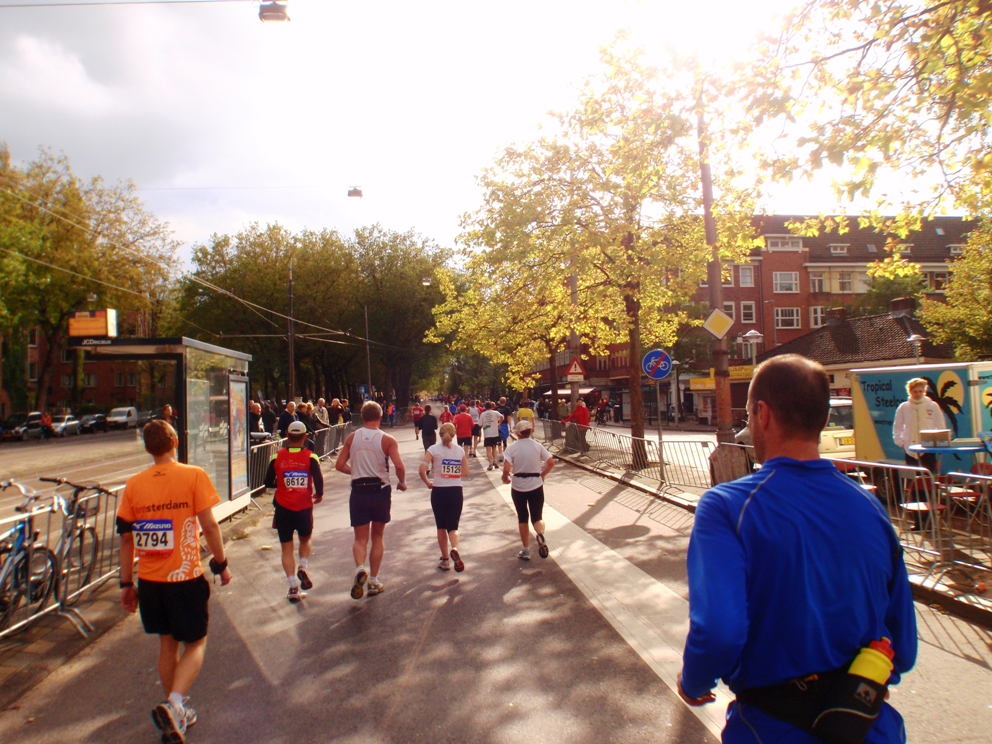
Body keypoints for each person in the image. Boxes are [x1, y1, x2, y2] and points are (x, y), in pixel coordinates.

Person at [677, 355, 917, 744]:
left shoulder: (727, 506)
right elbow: (902, 647)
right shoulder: (871, 508)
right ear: (822, 420)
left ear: (762, 413)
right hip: (865, 727)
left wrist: (693, 681)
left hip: (770, 728)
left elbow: (720, 630)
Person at [117, 420, 232, 744]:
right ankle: (175, 703)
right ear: (174, 443)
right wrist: (221, 565)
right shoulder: (193, 475)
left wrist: (127, 584)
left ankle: (175, 717)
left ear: (148, 447)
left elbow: (126, 540)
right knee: (195, 642)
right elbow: (209, 526)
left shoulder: (134, 484)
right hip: (184, 577)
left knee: (167, 644)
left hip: (151, 582)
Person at [335, 401, 408, 599]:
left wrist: (355, 472)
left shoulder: (352, 437)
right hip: (380, 490)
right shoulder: (387, 439)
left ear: (363, 417)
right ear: (380, 416)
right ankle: (374, 581)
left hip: (358, 491)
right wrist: (402, 482)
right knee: (377, 537)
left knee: (360, 538)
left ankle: (361, 568)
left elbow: (339, 464)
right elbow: (399, 466)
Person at [263, 421, 324, 602]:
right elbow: (318, 480)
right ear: (305, 437)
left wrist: (281, 484)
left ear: (287, 437)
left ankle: (292, 587)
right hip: (304, 507)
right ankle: (303, 566)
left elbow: (267, 481)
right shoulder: (311, 457)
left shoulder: (277, 457)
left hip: (283, 508)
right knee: (305, 540)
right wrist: (318, 494)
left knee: (286, 548)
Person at [501, 420, 555, 560]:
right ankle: (540, 534)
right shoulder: (537, 446)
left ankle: (526, 550)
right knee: (537, 516)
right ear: (531, 431)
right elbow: (550, 462)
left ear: (517, 433)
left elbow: (506, 468)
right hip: (536, 485)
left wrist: (505, 477)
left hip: (518, 485)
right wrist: (542, 474)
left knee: (522, 517)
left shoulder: (512, 448)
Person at [419, 422, 469, 572]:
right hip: (455, 491)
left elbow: (422, 469)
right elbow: (466, 473)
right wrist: (452, 475)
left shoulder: (432, 450)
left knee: (441, 526)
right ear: (454, 435)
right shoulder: (460, 451)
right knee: (453, 526)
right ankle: (455, 547)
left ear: (440, 434)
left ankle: (446, 559)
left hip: (439, 490)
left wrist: (428, 482)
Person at [893, 377, 945, 473]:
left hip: (928, 449)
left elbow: (941, 426)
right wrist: (901, 443)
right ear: (910, 391)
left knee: (927, 477)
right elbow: (897, 427)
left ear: (924, 391)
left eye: (920, 391)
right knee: (913, 478)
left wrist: (939, 443)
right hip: (910, 448)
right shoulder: (903, 407)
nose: (918, 394)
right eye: (915, 391)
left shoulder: (933, 406)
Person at [479, 401, 504, 471]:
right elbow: (502, 417)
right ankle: (495, 461)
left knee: (488, 450)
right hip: (495, 433)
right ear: (492, 406)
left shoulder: (482, 414)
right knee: (494, 448)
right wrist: (499, 423)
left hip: (487, 434)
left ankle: (490, 463)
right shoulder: (495, 412)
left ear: (485, 407)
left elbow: (480, 424)